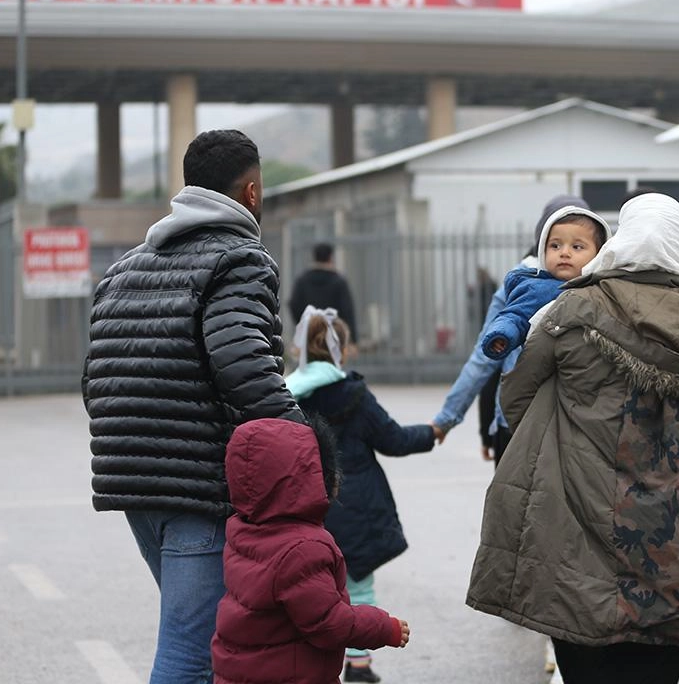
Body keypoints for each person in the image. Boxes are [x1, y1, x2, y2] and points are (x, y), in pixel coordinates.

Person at [467, 192, 679, 683]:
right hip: (672, 526)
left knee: (584, 650)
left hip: (575, 507)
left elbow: (516, 397)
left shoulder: (573, 307)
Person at [82, 129, 304, 683]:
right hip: (199, 486)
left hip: (132, 478)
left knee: (202, 637)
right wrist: (304, 440)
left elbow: (94, 378)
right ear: (251, 192)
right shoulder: (240, 258)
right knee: (193, 650)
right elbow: (242, 362)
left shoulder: (127, 265)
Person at [285, 306, 436, 682]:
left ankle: (310, 657)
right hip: (358, 503)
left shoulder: (284, 397)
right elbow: (394, 439)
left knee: (307, 586)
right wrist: (432, 433)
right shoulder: (354, 394)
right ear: (345, 349)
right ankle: (358, 663)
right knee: (358, 584)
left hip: (306, 506)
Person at [212, 417, 410, 684]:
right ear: (306, 477)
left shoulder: (243, 531)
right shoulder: (302, 550)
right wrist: (384, 628)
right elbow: (330, 623)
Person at [430, 195, 604, 465]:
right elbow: (489, 352)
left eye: (578, 244)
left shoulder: (601, 286)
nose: (566, 252)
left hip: (545, 418)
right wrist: (447, 418)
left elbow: (483, 363)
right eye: (557, 243)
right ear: (544, 240)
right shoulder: (524, 286)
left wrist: (451, 419)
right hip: (534, 418)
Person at [480, 205, 609, 358]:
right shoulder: (537, 288)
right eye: (555, 245)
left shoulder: (606, 287)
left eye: (577, 247)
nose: (564, 253)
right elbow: (514, 316)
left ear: (599, 254)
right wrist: (503, 334)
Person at [290, 242, 357, 340]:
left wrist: (304, 323)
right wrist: (352, 339)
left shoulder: (303, 281)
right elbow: (347, 310)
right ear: (330, 257)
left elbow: (294, 304)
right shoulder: (339, 282)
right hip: (335, 336)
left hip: (310, 335)